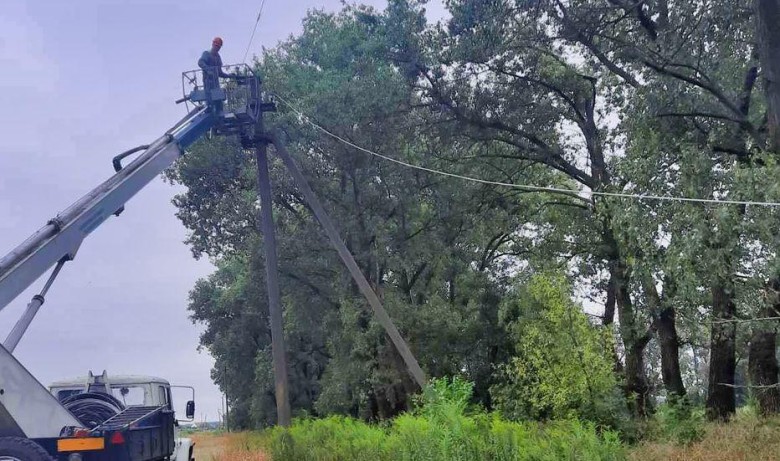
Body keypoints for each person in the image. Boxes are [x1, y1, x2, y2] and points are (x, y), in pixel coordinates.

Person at [198, 37, 233, 112]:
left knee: (218, 102)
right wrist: (208, 70)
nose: (217, 48)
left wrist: (229, 76)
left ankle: (219, 112)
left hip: (215, 82)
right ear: (213, 44)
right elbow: (200, 62)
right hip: (208, 81)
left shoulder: (218, 58)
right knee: (210, 98)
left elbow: (220, 73)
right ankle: (209, 108)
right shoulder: (207, 53)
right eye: (216, 46)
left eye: (218, 47)